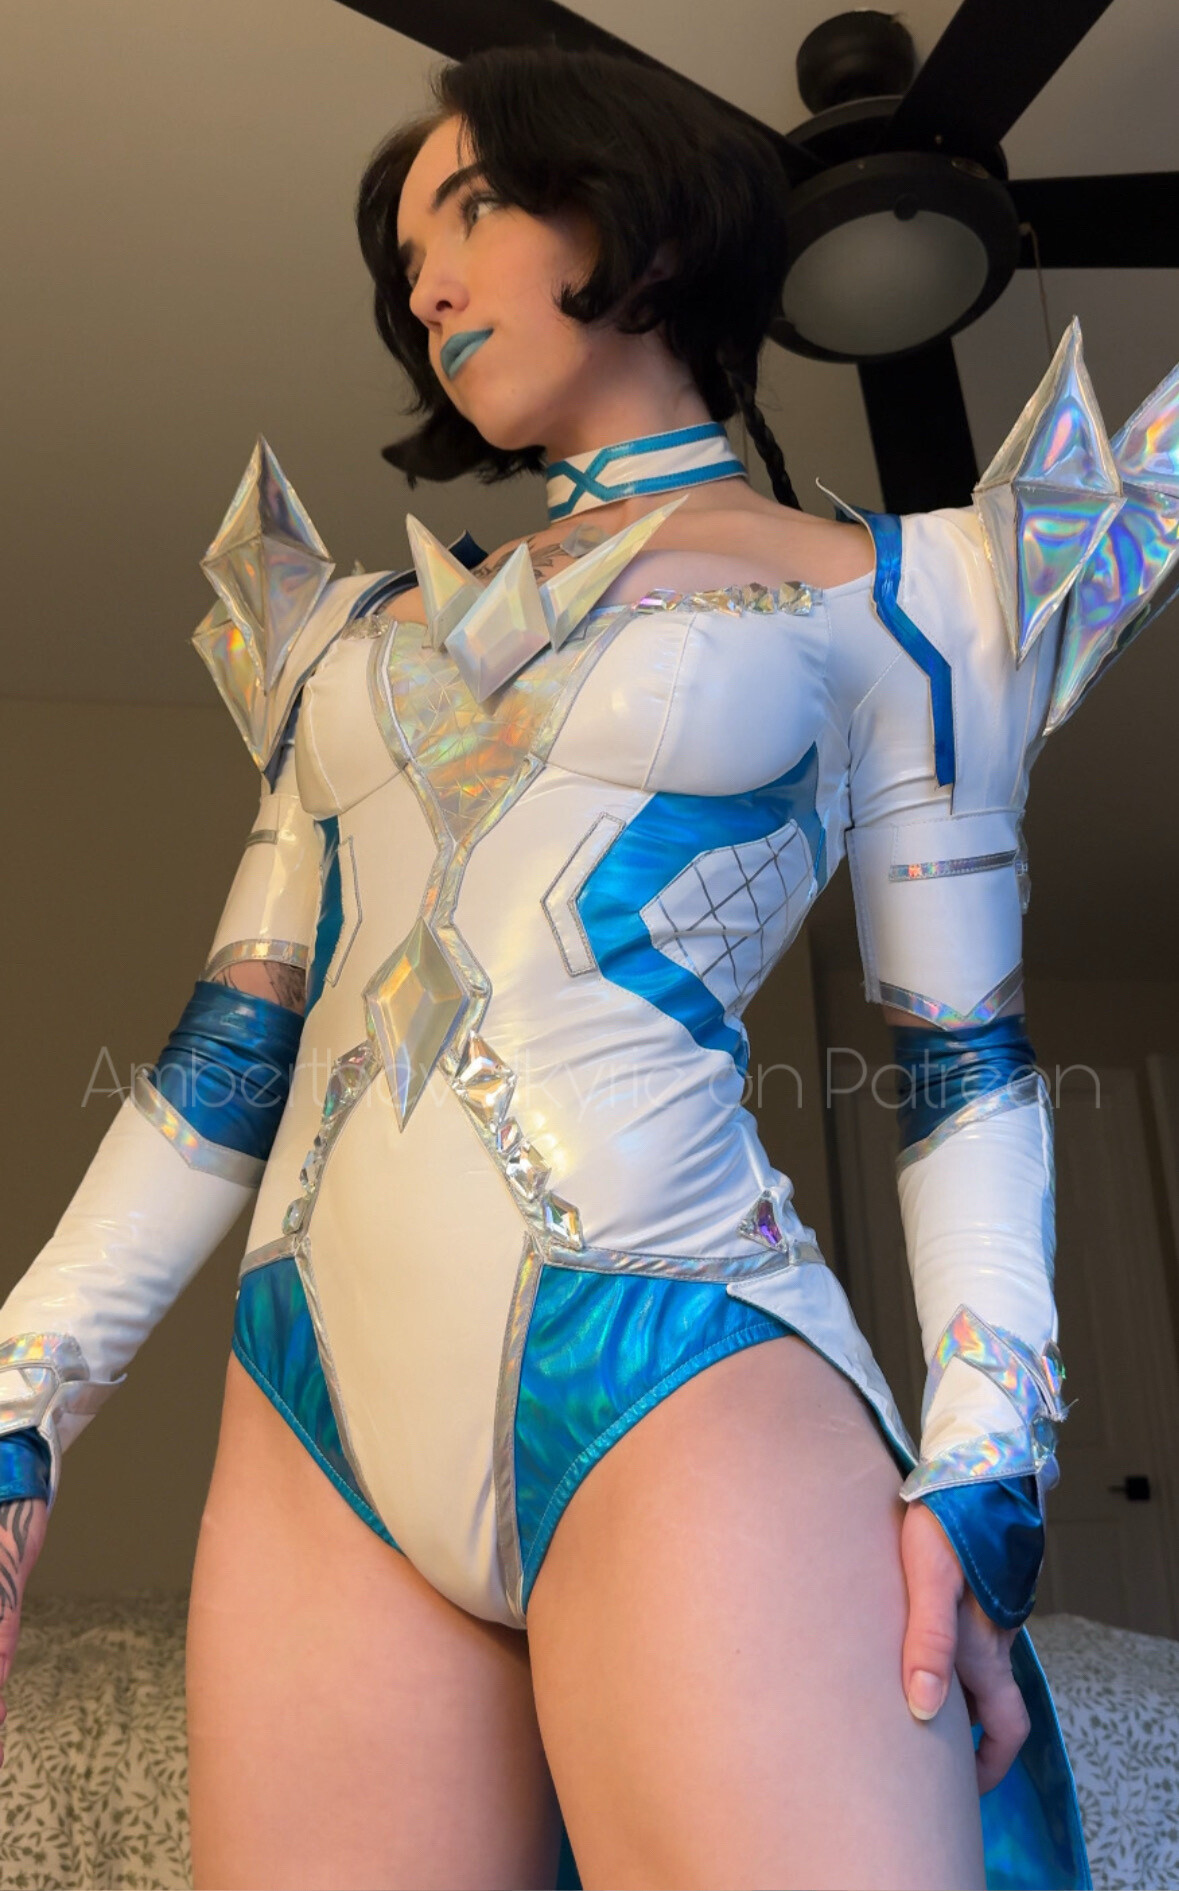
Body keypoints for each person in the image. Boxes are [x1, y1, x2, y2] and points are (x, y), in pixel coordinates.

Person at [0, 42, 1172, 1890]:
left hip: (676, 1363)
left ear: (637, 216)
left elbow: (958, 1064)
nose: (427, 287)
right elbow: (229, 1052)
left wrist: (987, 1451)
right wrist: (21, 1399)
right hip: (314, 1402)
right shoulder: (341, 641)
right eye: (406, 260)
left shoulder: (911, 598)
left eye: (471, 212)